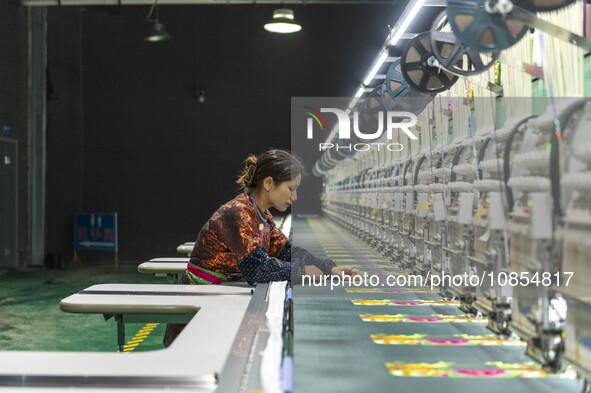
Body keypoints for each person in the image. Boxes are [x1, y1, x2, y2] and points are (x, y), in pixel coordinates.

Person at [163, 149, 359, 346]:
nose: (295, 197)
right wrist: (303, 271)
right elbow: (256, 268)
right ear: (268, 183)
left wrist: (328, 268)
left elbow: (286, 250)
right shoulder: (240, 212)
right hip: (200, 309)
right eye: (291, 189)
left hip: (219, 298)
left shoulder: (261, 215)